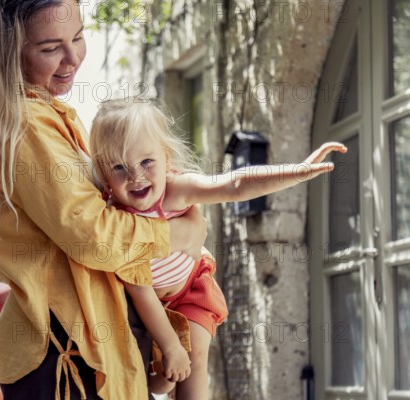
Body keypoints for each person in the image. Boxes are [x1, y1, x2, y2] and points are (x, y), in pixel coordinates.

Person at [0, 1, 208, 399]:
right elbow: (95, 237)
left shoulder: (44, 114)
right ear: (9, 50)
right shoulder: (28, 123)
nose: (73, 59)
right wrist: (179, 232)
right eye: (51, 48)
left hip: (72, 346)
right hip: (68, 351)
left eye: (79, 37)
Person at [89, 99, 348, 399]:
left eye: (147, 162)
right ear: (104, 177)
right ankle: (165, 375)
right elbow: (140, 291)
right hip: (147, 306)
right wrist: (170, 346)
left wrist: (298, 171)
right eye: (119, 167)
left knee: (194, 356)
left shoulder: (175, 191)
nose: (136, 177)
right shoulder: (114, 222)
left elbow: (234, 184)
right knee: (160, 379)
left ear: (166, 157)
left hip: (190, 291)